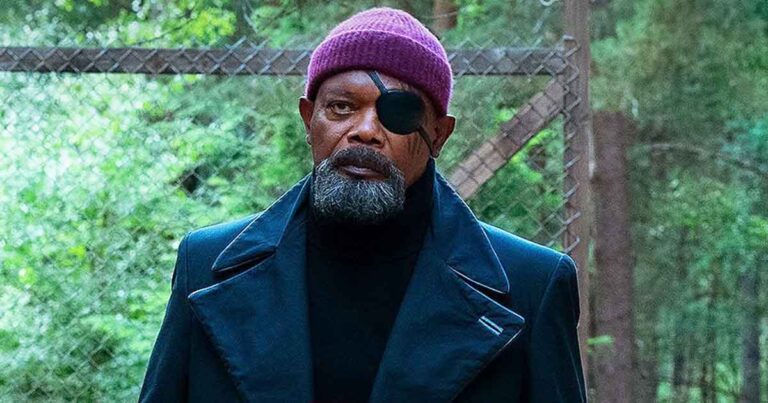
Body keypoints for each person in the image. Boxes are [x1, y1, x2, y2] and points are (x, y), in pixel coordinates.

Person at [139, 6, 586, 402]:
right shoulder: (206, 266)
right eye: (341, 107)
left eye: (398, 114)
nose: (366, 130)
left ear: (439, 135)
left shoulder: (531, 287)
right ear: (308, 119)